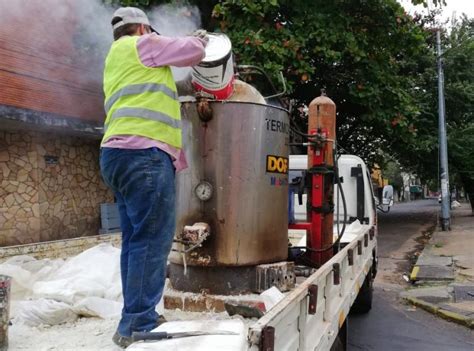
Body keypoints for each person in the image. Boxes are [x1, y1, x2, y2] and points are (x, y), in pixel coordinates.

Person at [99, 7, 207, 348]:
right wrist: (200, 39)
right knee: (153, 239)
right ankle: (140, 322)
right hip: (143, 155)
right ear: (143, 26)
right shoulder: (142, 44)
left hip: (115, 156)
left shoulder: (114, 59)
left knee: (135, 240)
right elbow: (194, 51)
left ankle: (133, 318)